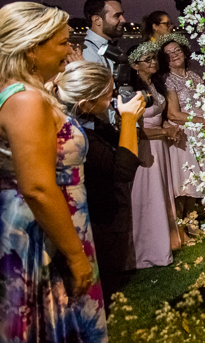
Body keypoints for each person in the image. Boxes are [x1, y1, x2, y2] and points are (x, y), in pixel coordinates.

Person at [0, 2, 110, 343]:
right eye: (60, 43)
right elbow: (38, 187)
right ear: (31, 49)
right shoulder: (26, 101)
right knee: (46, 335)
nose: (68, 49)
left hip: (39, 224)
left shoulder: (18, 92)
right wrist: (75, 257)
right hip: (39, 235)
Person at [52, 61, 146, 315]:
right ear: (85, 104)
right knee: (99, 296)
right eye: (107, 96)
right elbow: (123, 169)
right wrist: (128, 118)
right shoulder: (76, 135)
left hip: (101, 215)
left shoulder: (93, 123)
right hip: (97, 220)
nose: (113, 99)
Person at [128, 41, 181, 265]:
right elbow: (134, 128)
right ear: (134, 65)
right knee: (148, 195)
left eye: (153, 58)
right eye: (147, 59)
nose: (153, 62)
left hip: (162, 146)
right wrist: (163, 131)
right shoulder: (132, 91)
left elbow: (163, 114)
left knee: (162, 191)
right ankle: (146, 251)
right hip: (146, 147)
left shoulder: (155, 84)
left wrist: (169, 127)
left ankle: (166, 242)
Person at [157, 33, 205, 244]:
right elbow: (173, 114)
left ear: (185, 52)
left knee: (196, 179)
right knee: (182, 183)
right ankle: (179, 229)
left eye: (177, 50)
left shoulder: (195, 76)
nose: (174, 55)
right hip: (183, 134)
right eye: (168, 53)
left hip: (199, 134)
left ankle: (192, 222)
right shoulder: (168, 80)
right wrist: (203, 122)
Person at [81, 0, 126, 71]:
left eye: (122, 15)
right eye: (117, 16)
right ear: (97, 20)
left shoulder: (99, 47)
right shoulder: (88, 52)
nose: (123, 20)